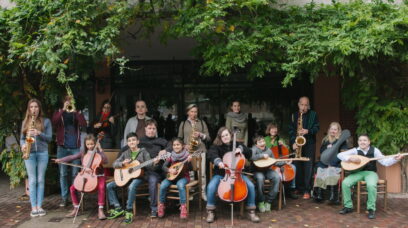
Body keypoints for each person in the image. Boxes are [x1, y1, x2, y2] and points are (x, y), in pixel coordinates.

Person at [338, 134, 403, 219]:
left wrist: (395, 158)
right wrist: (350, 159)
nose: (362, 142)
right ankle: (348, 206)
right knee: (345, 183)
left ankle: (371, 209)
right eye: (360, 140)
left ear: (369, 142)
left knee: (371, 185)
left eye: (365, 140)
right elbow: (339, 155)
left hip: (371, 173)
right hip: (357, 173)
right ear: (358, 142)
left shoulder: (375, 150)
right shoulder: (355, 150)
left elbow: (385, 162)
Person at [206, 127, 260, 223]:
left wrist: (241, 149)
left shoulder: (238, 144)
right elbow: (211, 154)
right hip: (221, 174)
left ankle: (251, 211)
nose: (225, 137)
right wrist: (219, 162)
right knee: (210, 187)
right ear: (220, 138)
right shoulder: (216, 146)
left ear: (230, 135)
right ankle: (211, 211)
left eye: (226, 135)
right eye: (222, 136)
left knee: (251, 186)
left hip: (237, 174)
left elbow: (250, 152)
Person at [106, 133, 159, 224]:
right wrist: (122, 163)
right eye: (129, 141)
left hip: (139, 177)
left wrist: (154, 162)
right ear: (127, 143)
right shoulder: (125, 153)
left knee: (132, 186)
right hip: (126, 178)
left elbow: (150, 167)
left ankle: (129, 210)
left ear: (137, 141)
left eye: (133, 140)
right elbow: (114, 164)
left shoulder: (144, 152)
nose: (132, 142)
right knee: (109, 186)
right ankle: (118, 208)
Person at [54, 134, 108, 220]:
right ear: (85, 144)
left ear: (95, 143)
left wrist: (100, 149)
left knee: (101, 187)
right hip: (85, 175)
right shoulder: (84, 153)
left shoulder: (98, 153)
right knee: (72, 188)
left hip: (97, 175)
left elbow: (105, 161)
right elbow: (72, 157)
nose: (90, 146)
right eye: (88, 144)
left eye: (92, 144)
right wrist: (61, 160)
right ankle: (76, 208)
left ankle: (100, 209)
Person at [52, 95, 87, 207]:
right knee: (63, 174)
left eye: (71, 100)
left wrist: (76, 112)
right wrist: (63, 109)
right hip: (62, 147)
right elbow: (54, 122)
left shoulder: (77, 112)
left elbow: (83, 124)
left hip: (75, 147)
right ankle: (64, 198)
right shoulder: (59, 112)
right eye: (67, 100)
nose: (69, 102)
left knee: (75, 174)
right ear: (63, 101)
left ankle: (74, 197)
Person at [20, 99, 52, 217]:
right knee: (32, 180)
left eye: (36, 107)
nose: (34, 109)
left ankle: (40, 206)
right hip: (30, 153)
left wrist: (39, 133)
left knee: (40, 180)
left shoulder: (46, 121)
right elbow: (22, 138)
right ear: (29, 109)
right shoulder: (25, 122)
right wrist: (23, 145)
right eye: (31, 107)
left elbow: (49, 138)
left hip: (43, 152)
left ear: (39, 108)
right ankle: (33, 207)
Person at [288, 96, 319, 199]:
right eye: (302, 104)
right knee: (297, 165)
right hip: (298, 143)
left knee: (308, 166)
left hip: (309, 143)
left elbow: (317, 127)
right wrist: (293, 142)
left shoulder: (313, 114)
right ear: (298, 104)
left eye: (306, 105)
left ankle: (307, 189)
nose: (304, 107)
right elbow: (291, 130)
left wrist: (308, 131)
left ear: (308, 105)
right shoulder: (294, 115)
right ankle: (299, 188)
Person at [177, 104, 210, 200]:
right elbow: (179, 139)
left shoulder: (202, 122)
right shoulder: (183, 123)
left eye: (195, 111)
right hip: (188, 151)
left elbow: (208, 138)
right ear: (187, 112)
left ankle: (203, 193)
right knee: (190, 174)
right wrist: (183, 145)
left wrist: (200, 134)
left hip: (200, 150)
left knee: (202, 174)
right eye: (191, 111)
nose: (194, 113)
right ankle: (190, 192)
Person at [138, 119, 171, 217]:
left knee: (172, 176)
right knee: (153, 180)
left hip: (161, 169)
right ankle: (154, 208)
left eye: (153, 128)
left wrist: (165, 150)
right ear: (145, 129)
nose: (151, 130)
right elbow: (126, 149)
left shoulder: (160, 140)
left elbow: (171, 145)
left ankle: (168, 203)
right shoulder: (140, 141)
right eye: (149, 128)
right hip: (147, 171)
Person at [313, 122, 348, 204]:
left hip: (336, 162)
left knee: (331, 169)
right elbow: (321, 152)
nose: (333, 131)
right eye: (332, 129)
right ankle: (319, 194)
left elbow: (344, 153)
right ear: (329, 130)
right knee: (320, 170)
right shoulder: (325, 140)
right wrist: (326, 150)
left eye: (335, 129)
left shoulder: (341, 140)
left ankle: (334, 196)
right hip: (325, 162)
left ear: (338, 130)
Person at [158, 138, 192, 219]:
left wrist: (189, 161)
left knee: (180, 185)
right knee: (163, 185)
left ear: (182, 146)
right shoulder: (171, 155)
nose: (176, 146)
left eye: (178, 145)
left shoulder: (187, 155)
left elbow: (190, 168)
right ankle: (161, 205)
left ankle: (183, 206)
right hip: (172, 177)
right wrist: (169, 169)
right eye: (174, 145)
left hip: (184, 177)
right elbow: (164, 166)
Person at [264, 123, 298, 199]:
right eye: (272, 128)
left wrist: (284, 145)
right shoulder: (265, 139)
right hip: (271, 163)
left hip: (282, 161)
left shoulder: (280, 139)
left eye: (275, 129)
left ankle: (291, 189)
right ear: (269, 130)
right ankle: (276, 189)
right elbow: (264, 150)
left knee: (293, 167)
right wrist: (271, 145)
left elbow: (287, 150)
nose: (274, 130)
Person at [250, 136, 281, 212]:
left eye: (263, 141)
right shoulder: (253, 149)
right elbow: (251, 157)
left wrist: (285, 162)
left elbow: (274, 162)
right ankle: (261, 201)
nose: (262, 143)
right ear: (256, 144)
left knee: (277, 177)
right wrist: (261, 156)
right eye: (260, 142)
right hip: (257, 171)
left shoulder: (269, 150)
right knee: (260, 178)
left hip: (267, 170)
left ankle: (268, 201)